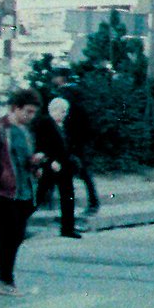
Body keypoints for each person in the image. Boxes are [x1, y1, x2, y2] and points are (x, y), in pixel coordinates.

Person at [0, 89, 44, 296]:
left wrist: (35, 164)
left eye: (33, 112)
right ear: (15, 108)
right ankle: (6, 280)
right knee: (11, 236)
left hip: (25, 191)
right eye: (27, 111)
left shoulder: (24, 131)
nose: (30, 116)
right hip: (5, 192)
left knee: (15, 236)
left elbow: (24, 159)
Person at [49, 69, 100, 216]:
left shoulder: (65, 94)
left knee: (66, 170)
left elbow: (65, 119)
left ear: (61, 78)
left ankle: (91, 203)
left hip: (70, 140)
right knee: (82, 171)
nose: (53, 80)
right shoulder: (79, 93)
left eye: (55, 77)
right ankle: (92, 202)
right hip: (80, 139)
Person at [34, 97, 82, 239]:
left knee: (68, 197)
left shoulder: (63, 127)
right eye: (61, 111)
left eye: (65, 112)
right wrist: (49, 161)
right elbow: (40, 146)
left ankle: (68, 228)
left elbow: (67, 146)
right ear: (53, 111)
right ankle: (14, 225)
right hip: (51, 167)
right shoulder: (45, 125)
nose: (64, 114)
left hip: (64, 167)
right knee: (38, 197)